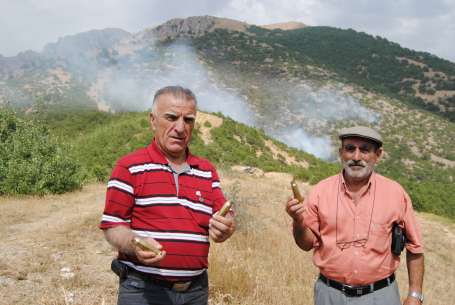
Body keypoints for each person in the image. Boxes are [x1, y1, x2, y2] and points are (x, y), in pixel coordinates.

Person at [100, 85, 235, 305]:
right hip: (143, 290)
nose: (180, 128)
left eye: (188, 120)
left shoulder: (206, 170)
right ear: (153, 120)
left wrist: (226, 226)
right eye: (171, 117)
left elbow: (225, 215)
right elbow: (113, 226)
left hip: (196, 291)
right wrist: (134, 243)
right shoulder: (129, 167)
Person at [285, 126, 424, 305]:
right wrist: (298, 221)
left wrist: (415, 294)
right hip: (330, 295)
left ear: (378, 154)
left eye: (364, 150)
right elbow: (305, 244)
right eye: (350, 149)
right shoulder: (320, 192)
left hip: (381, 296)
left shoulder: (396, 194)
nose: (356, 157)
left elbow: (415, 247)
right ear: (341, 153)